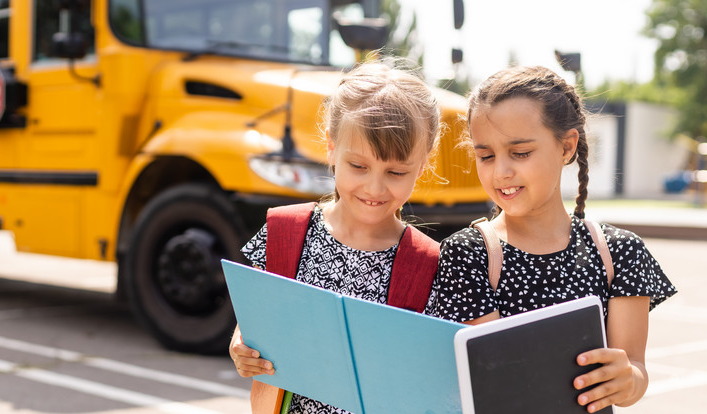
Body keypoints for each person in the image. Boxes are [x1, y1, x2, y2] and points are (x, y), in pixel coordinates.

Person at [424, 65, 677, 413]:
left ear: (567, 147)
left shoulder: (619, 252)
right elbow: (497, 384)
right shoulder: (468, 254)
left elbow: (635, 371)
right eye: (486, 156)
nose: (501, 172)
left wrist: (626, 380)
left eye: (521, 153)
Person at [229, 60, 442, 414]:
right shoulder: (285, 233)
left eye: (396, 172)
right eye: (358, 166)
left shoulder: (429, 264)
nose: (374, 187)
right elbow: (251, 328)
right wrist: (243, 349)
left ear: (422, 165)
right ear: (330, 146)